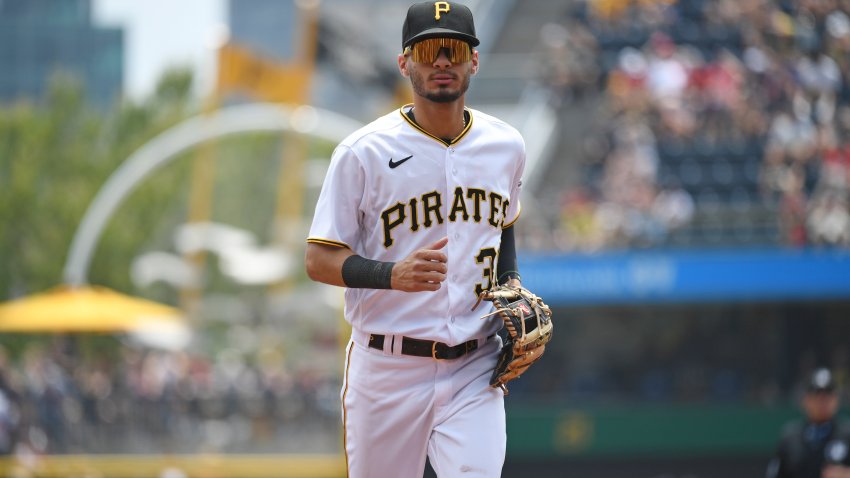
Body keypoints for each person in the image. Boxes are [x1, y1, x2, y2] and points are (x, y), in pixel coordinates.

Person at [304, 2, 528, 476]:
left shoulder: (506, 145)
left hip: (474, 366)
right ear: (405, 62)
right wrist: (391, 275)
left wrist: (512, 287)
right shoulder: (363, 152)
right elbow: (318, 259)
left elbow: (504, 225)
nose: (442, 61)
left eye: (455, 50)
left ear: (474, 61)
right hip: (387, 368)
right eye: (428, 50)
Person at [767, 368, 850, 478]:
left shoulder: (847, 434)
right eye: (817, 396)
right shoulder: (791, 438)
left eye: (827, 396)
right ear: (805, 400)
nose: (822, 402)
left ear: (836, 400)